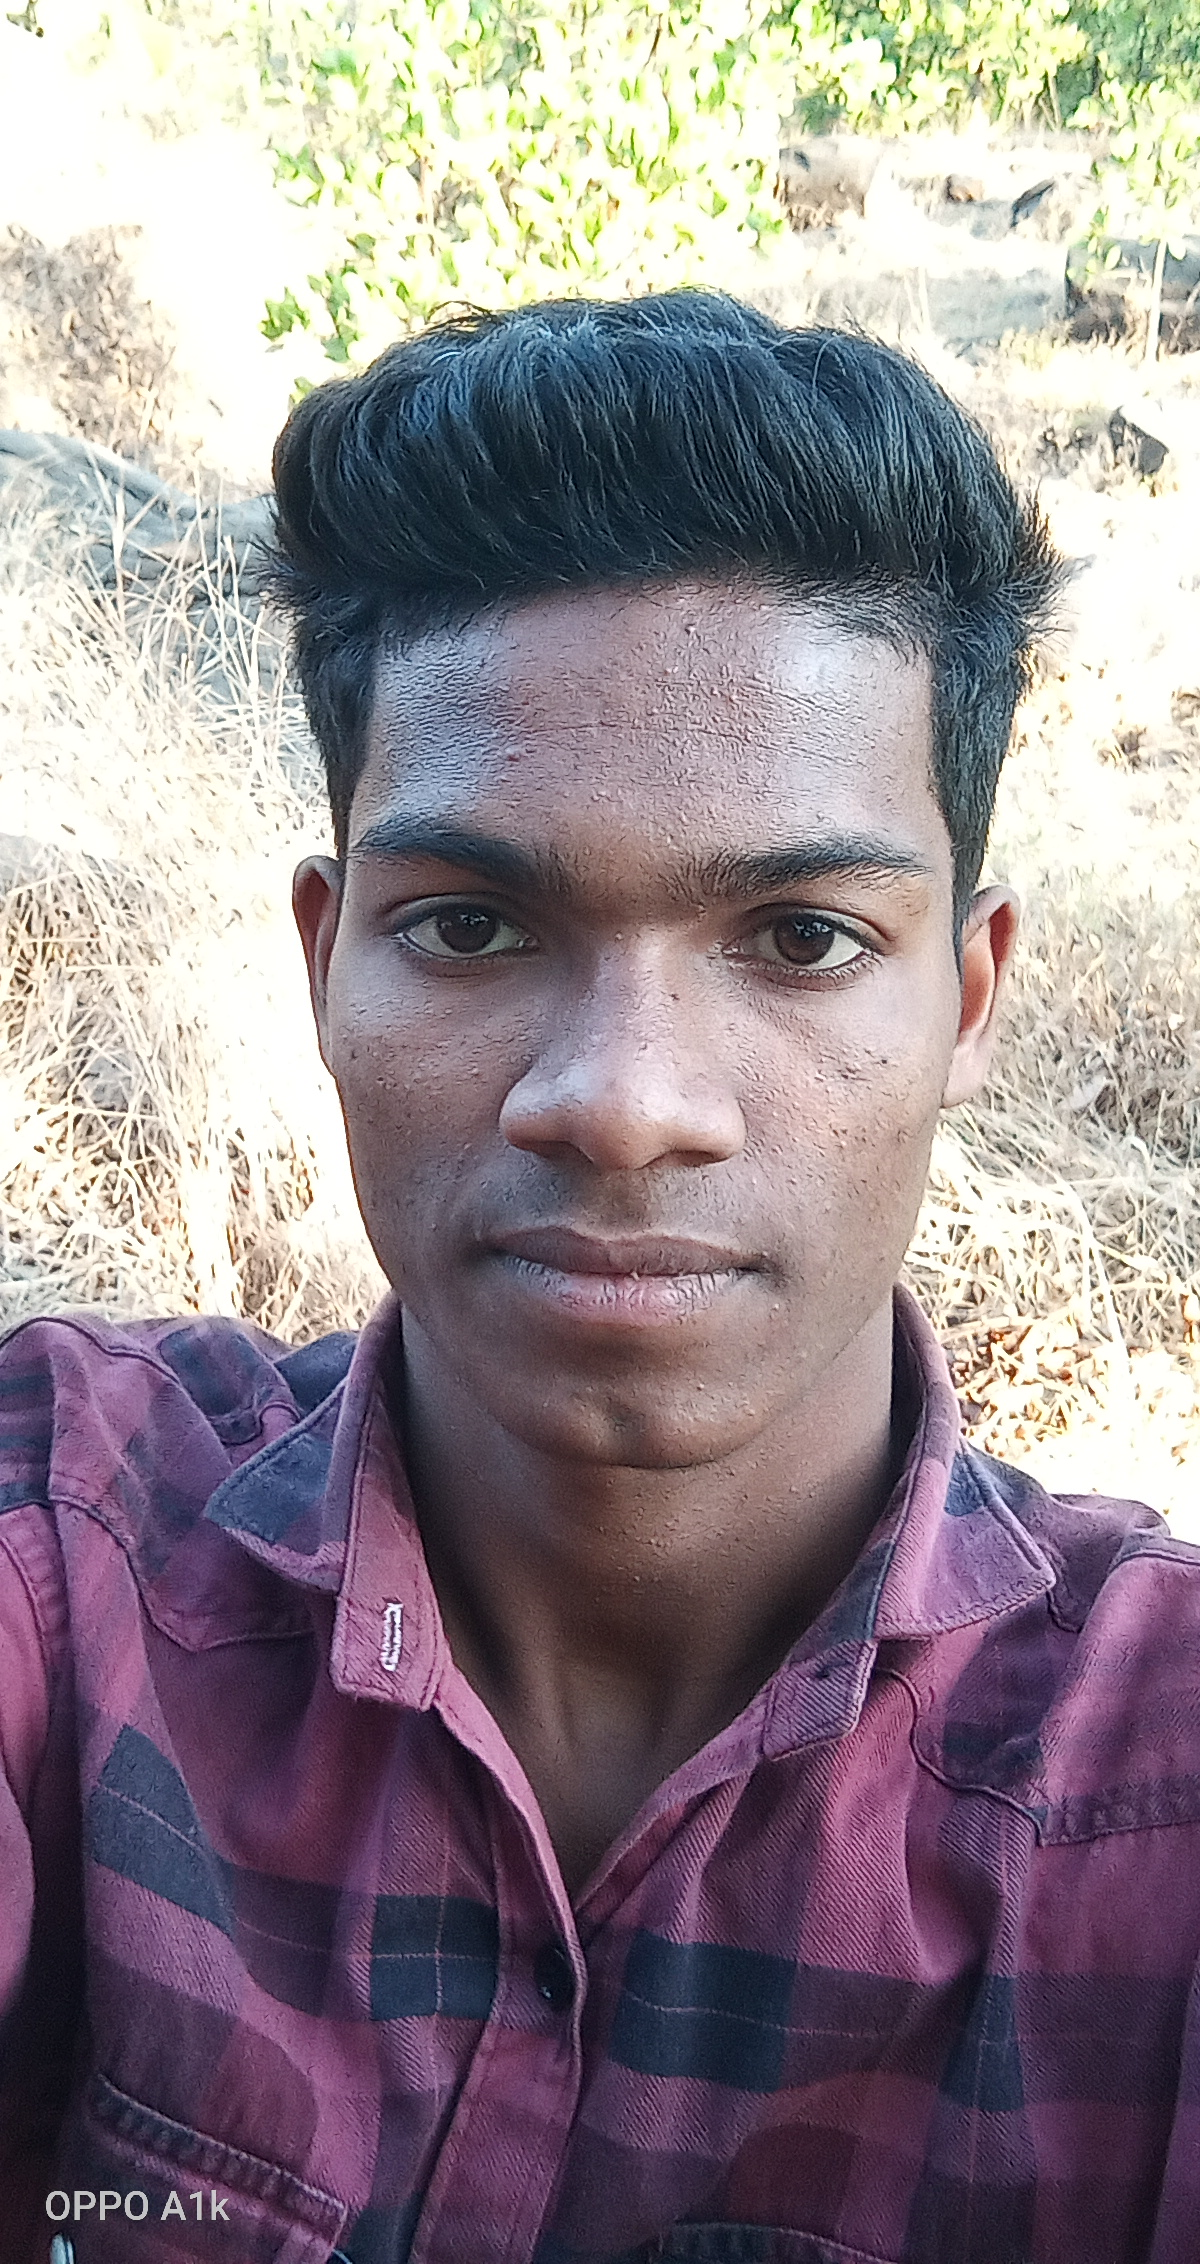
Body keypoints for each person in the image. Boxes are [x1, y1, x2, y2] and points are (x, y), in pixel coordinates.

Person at [2, 293, 1197, 2264]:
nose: (625, 1104)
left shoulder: (1154, 1803)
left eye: (802, 937)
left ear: (968, 997)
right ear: (326, 964)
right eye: (471, 926)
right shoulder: (63, 1544)